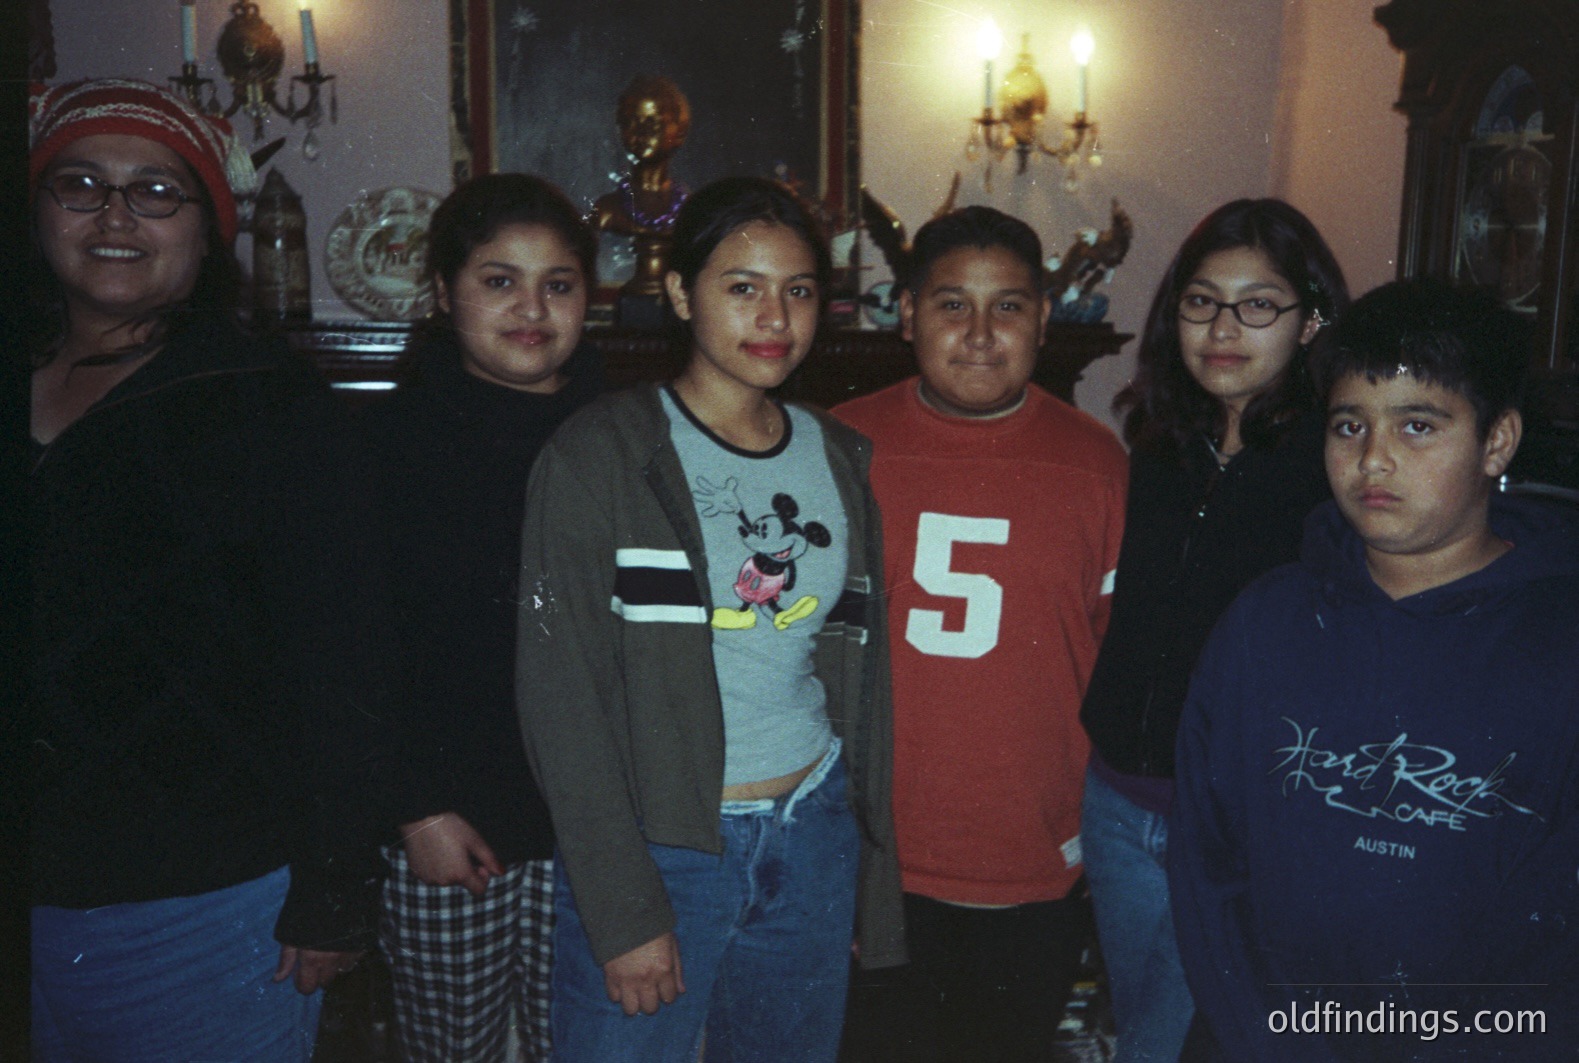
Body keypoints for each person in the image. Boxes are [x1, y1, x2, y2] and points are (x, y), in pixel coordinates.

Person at [28, 78, 393, 1061]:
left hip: (205, 912)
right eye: (82, 184)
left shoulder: (273, 410)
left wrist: (333, 891)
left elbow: (347, 668)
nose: (115, 213)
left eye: (157, 191)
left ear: (208, 232)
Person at [515, 175, 905, 1062]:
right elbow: (558, 696)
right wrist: (621, 908)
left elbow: (854, 680)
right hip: (663, 845)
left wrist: (855, 874)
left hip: (810, 833)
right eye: (742, 287)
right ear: (681, 293)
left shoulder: (838, 455)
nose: (775, 316)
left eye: (797, 290)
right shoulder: (601, 453)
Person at [1168, 278, 1579, 1061]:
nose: (1372, 458)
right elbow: (1205, 865)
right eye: (1348, 425)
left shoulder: (1559, 644)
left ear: (1496, 441)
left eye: (1418, 425)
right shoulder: (1263, 621)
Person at [834, 206, 1128, 1062]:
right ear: (906, 312)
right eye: (951, 304)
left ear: (1042, 317)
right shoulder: (838, 442)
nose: (978, 334)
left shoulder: (1096, 460)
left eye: (1007, 307)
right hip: (876, 860)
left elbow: (1107, 661)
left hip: (1030, 853)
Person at [1076, 199, 1349, 1061]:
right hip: (1119, 800)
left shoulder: (1332, 466)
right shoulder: (1156, 446)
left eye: (1257, 304)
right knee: (1143, 1018)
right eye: (1201, 301)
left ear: (1310, 322)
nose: (1224, 327)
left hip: (1236, 823)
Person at [361, 173, 602, 1062]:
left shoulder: (620, 438)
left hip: (594, 828)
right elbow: (356, 649)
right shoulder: (386, 448)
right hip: (449, 824)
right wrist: (413, 807)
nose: (531, 306)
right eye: (499, 280)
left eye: (559, 283)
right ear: (441, 294)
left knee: (582, 1041)